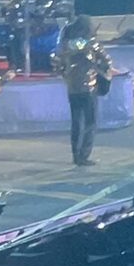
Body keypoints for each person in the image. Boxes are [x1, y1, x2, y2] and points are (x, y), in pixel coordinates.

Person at [51, 15, 116, 166]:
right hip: (89, 87)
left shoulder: (66, 44)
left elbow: (56, 62)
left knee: (76, 122)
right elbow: (107, 60)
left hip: (73, 88)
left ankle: (75, 154)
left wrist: (65, 75)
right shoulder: (91, 43)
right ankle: (84, 155)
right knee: (90, 122)